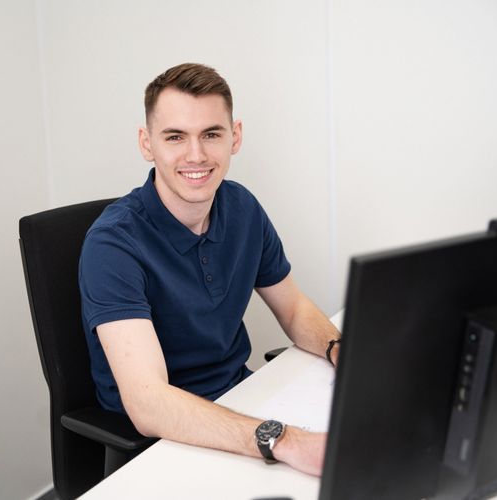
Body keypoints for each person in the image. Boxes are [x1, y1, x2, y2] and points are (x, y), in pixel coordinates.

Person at [79, 62, 341, 475]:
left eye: (211, 134)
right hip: (160, 443)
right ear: (147, 143)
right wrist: (285, 441)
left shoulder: (242, 207)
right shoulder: (112, 244)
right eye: (175, 137)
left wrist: (342, 352)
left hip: (240, 403)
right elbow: (149, 402)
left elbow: (293, 308)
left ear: (235, 137)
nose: (196, 155)